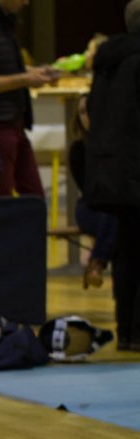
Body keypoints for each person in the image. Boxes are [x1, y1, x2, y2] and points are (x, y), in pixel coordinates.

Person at [84, 0, 140, 351]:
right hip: (135, 168)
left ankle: (127, 331)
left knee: (127, 252)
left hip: (111, 170)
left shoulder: (108, 59)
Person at [0, 0, 59, 198]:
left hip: (15, 121)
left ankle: (30, 229)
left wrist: (37, 72)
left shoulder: (5, 20)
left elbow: (3, 69)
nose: (26, 2)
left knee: (33, 196)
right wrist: (25, 79)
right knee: (1, 196)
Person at [68, 93, 117, 290]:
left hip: (114, 208)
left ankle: (97, 262)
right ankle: (98, 261)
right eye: (81, 112)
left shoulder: (117, 145)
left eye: (90, 111)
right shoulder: (78, 149)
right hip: (90, 206)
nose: (86, 116)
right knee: (114, 214)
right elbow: (87, 189)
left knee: (118, 214)